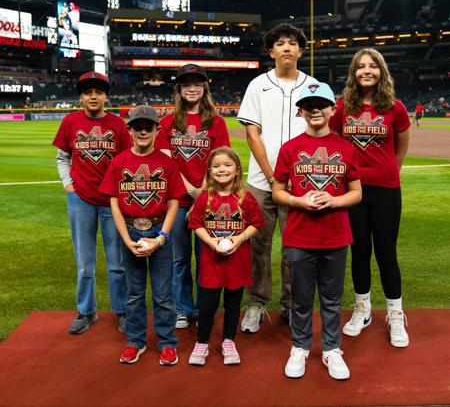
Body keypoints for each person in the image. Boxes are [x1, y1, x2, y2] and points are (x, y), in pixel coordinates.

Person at [272, 82, 361, 380]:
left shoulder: (346, 148)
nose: (315, 109)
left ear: (332, 109)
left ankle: (331, 348)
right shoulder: (290, 148)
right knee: (301, 296)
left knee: (332, 297)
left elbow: (356, 192)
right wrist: (299, 200)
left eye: (321, 104)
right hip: (300, 234)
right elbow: (277, 192)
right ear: (300, 111)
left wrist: (334, 200)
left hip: (335, 235)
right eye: (308, 105)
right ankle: (300, 346)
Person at [237, 23, 317, 333]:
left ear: (300, 50)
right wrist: (272, 177)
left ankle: (291, 304)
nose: (286, 47)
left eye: (292, 43)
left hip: (300, 183)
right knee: (258, 245)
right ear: (271, 52)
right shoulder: (258, 84)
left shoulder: (313, 87)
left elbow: (318, 132)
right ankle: (256, 304)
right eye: (280, 43)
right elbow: (251, 132)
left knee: (294, 248)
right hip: (260, 181)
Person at [329, 48, 411, 348]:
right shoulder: (342, 108)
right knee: (359, 251)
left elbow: (401, 145)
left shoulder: (395, 107)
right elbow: (335, 144)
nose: (366, 71)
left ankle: (395, 313)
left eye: (372, 66)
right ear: (353, 73)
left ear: (381, 71)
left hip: (386, 189)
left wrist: (390, 171)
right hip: (353, 191)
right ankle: (362, 308)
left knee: (386, 252)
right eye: (360, 66)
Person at [100, 106, 185, 365]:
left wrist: (161, 238)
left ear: (158, 130)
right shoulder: (119, 161)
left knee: (162, 294)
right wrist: (126, 239)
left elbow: (173, 203)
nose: (144, 131)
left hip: (159, 230)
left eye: (149, 127)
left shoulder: (166, 162)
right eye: (138, 127)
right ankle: (135, 341)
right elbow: (114, 203)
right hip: (131, 230)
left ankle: (167, 341)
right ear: (130, 130)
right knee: (134, 293)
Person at [53, 72, 130, 334]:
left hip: (112, 201)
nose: (93, 96)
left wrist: (120, 193)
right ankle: (86, 311)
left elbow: (126, 162)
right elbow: (63, 158)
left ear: (106, 95)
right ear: (81, 97)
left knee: (117, 262)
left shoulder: (118, 124)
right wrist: (69, 186)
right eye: (87, 92)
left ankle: (121, 310)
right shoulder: (70, 121)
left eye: (98, 91)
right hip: (81, 200)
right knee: (85, 263)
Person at [154, 63, 230, 329]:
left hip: (208, 200)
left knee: (207, 257)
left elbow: (222, 161)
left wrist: (204, 192)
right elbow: (166, 162)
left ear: (204, 87)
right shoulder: (167, 123)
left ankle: (203, 309)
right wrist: (190, 189)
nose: (192, 88)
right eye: (186, 84)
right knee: (180, 259)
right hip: (176, 200)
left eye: (196, 84)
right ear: (179, 89)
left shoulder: (216, 122)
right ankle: (182, 309)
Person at [187, 148, 264, 366]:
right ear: (210, 172)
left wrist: (238, 239)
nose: (222, 169)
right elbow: (196, 225)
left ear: (238, 170)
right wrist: (212, 243)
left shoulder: (245, 198)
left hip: (237, 262)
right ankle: (201, 342)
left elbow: (256, 224)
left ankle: (229, 340)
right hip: (212, 262)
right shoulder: (204, 198)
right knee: (207, 305)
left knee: (232, 304)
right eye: (217, 166)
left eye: (228, 165)